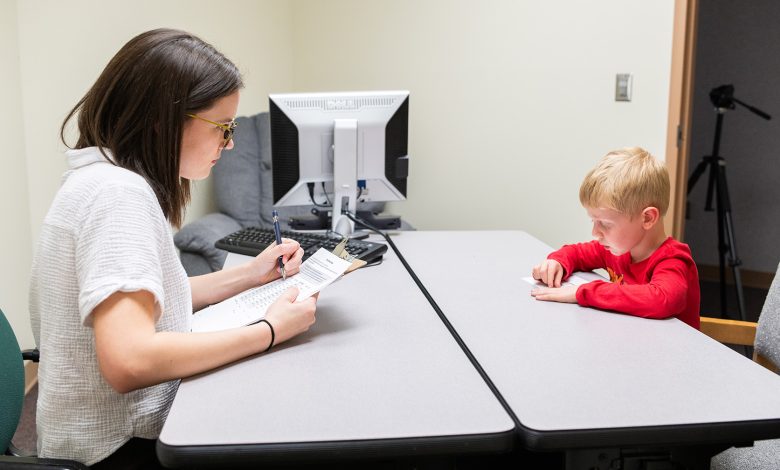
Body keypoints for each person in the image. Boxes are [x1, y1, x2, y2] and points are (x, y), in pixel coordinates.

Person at [28, 29, 317, 468]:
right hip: (117, 451)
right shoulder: (118, 197)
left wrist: (252, 274)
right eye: (223, 128)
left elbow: (159, 297)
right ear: (163, 121)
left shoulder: (103, 177)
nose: (231, 143)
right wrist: (270, 329)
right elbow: (129, 361)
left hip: (105, 437)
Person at [530, 147, 700, 329]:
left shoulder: (673, 260)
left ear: (648, 218)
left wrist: (583, 292)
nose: (595, 232)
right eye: (593, 221)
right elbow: (577, 253)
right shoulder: (618, 249)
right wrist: (557, 262)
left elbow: (661, 299)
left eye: (605, 223)